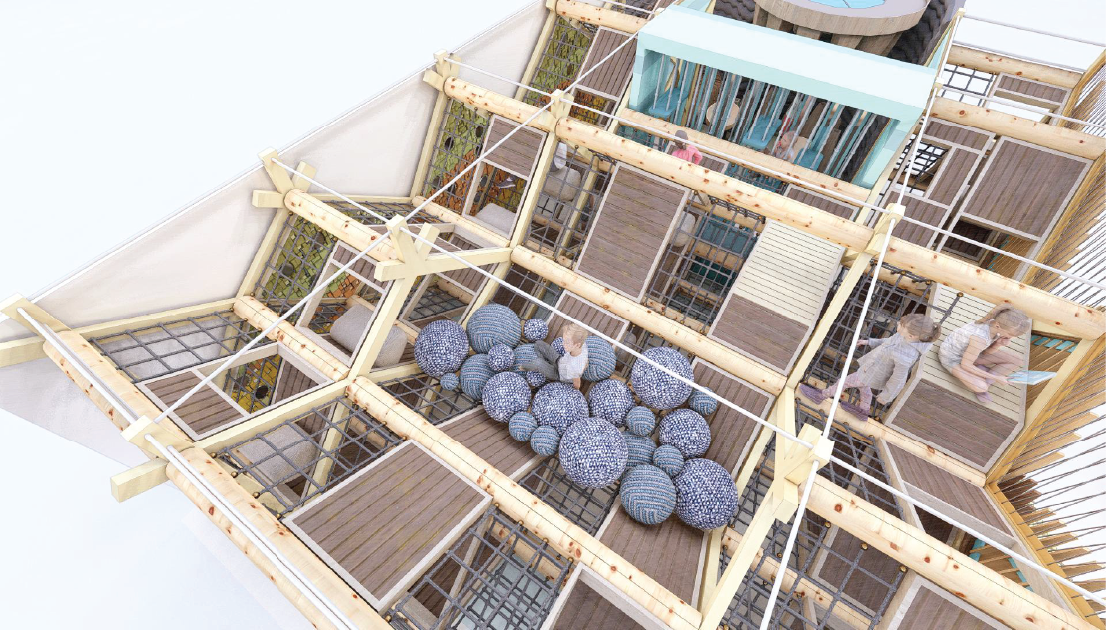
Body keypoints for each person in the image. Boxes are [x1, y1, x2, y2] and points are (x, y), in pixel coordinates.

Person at [799, 313, 939, 418]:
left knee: (844, 382)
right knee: (864, 388)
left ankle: (821, 396)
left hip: (874, 373)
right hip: (872, 367)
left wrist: (886, 396)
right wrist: (868, 342)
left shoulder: (905, 356)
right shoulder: (902, 337)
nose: (898, 325)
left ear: (912, 336)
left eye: (901, 326)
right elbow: (887, 341)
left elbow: (898, 378)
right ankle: (863, 411)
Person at [939, 305, 1030, 404]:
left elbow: (986, 352)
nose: (1011, 337)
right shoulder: (979, 339)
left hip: (972, 353)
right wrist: (996, 378)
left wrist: (998, 344)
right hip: (953, 359)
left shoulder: (994, 322)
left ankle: (983, 377)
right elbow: (966, 365)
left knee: (1017, 360)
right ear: (998, 326)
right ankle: (983, 379)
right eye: (1010, 334)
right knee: (981, 387)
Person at [521, 322, 590, 389]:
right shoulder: (581, 347)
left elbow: (577, 385)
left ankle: (522, 367)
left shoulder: (575, 367)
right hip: (559, 360)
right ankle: (545, 364)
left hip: (558, 374)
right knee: (539, 343)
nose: (563, 344)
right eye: (563, 340)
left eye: (567, 342)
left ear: (577, 345)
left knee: (538, 363)